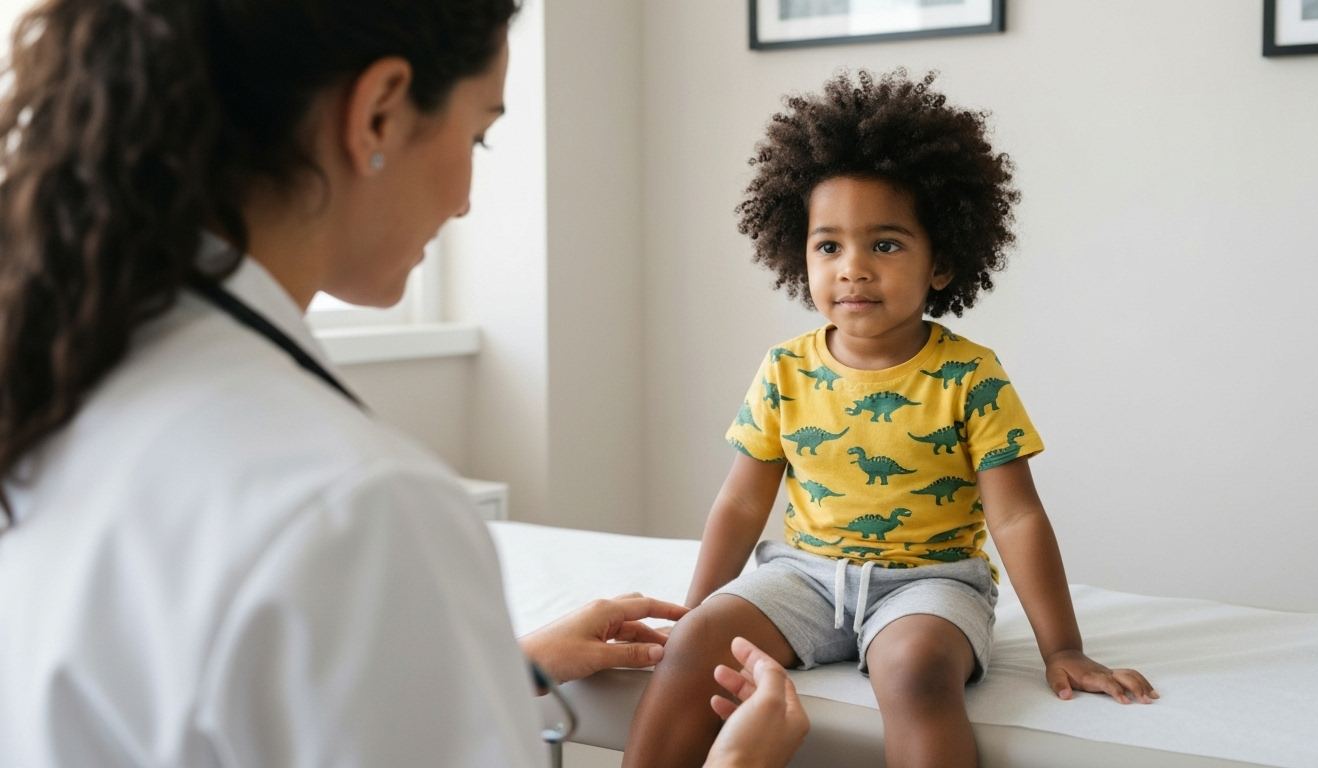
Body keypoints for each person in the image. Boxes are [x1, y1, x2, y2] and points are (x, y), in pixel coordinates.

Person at [0, 1, 807, 766]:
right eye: (480, 135)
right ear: (379, 112)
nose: (464, 201)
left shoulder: (54, 386)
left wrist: (497, 668)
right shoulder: (362, 507)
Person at [623, 70, 1158, 768]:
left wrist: (1063, 647)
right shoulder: (785, 368)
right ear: (799, 252)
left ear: (940, 263)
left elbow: (1018, 518)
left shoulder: (972, 375)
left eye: (885, 244)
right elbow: (742, 497)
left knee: (913, 674)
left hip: (931, 582)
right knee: (697, 644)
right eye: (828, 246)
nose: (853, 269)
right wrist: (697, 608)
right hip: (804, 575)